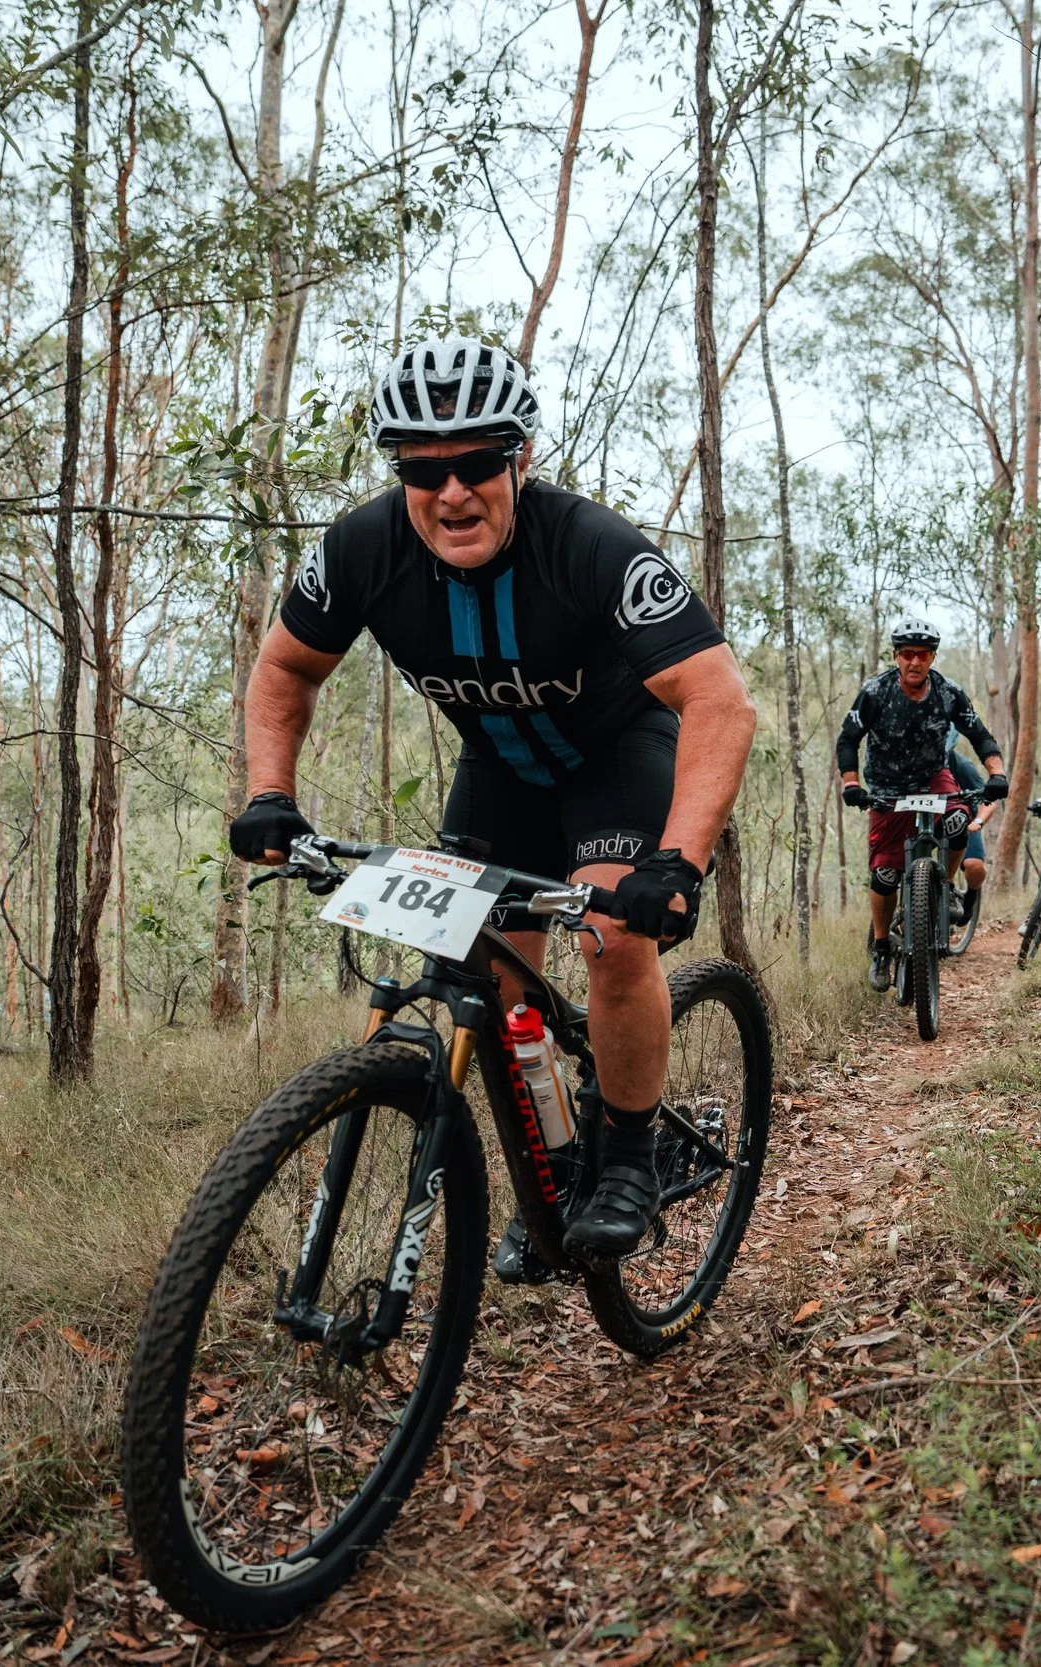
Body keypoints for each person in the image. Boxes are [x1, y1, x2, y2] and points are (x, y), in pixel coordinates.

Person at [229, 337, 757, 1278]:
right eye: (424, 472)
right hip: (501, 769)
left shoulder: (590, 546)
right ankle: (550, 1178)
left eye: (478, 464)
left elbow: (719, 699)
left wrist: (676, 861)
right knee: (483, 979)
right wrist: (271, 792)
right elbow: (285, 667)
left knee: (611, 939)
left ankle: (629, 1157)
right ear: (399, 475)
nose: (453, 492)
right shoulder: (361, 548)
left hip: (616, 756)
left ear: (521, 458)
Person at [836, 618, 1006, 986]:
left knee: (959, 820)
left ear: (932, 657)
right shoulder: (875, 692)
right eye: (908, 654)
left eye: (923, 655)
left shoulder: (948, 692)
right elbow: (848, 739)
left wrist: (997, 773)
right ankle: (881, 946)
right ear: (897, 656)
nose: (915, 662)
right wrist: (852, 783)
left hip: (933, 779)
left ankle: (943, 885)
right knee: (884, 871)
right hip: (887, 786)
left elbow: (979, 735)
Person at [944, 742, 993, 924]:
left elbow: (988, 800)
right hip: (927, 820)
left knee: (974, 866)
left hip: (964, 820)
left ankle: (970, 899)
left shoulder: (961, 766)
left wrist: (978, 821)